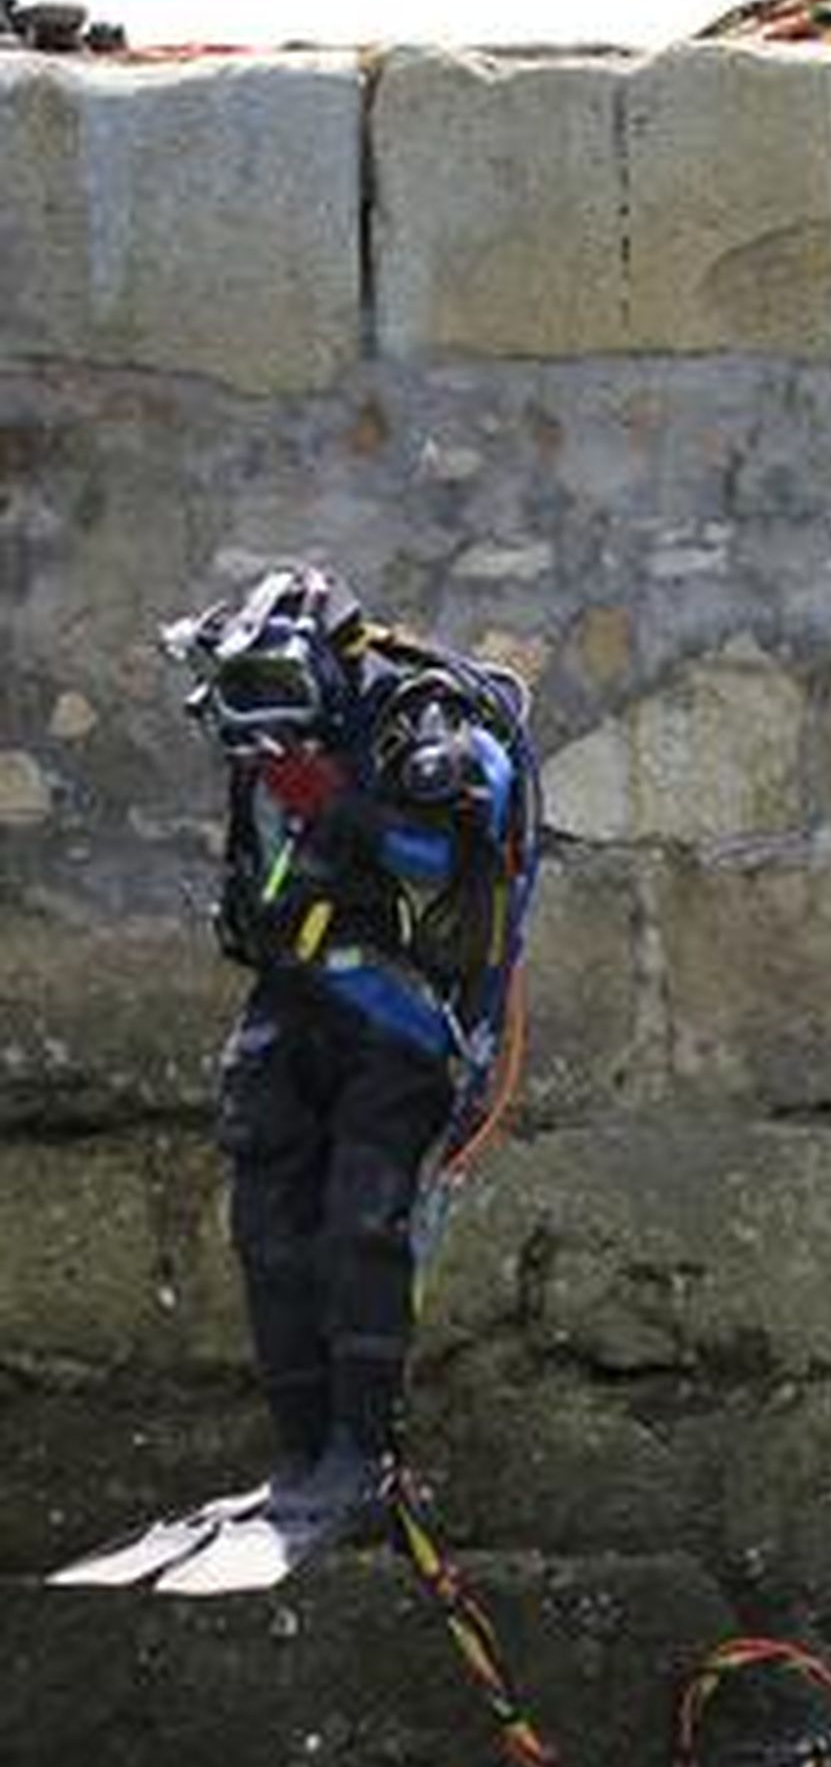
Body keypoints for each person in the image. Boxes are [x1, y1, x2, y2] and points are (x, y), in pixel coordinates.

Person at [161, 565, 539, 1530]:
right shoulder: (262, 737)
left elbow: (440, 855)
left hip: (389, 1010)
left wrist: (331, 798)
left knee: (360, 1222)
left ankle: (362, 1452)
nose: (265, 725)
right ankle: (301, 1456)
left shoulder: (410, 717)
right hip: (286, 996)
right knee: (265, 1229)